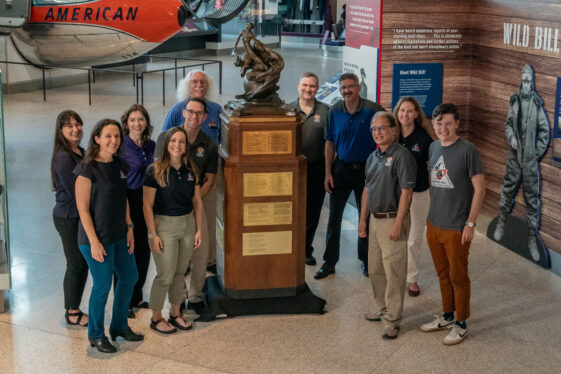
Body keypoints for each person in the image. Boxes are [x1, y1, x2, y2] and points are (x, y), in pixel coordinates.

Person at [75, 119, 143, 353]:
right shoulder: (87, 168)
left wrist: (130, 227)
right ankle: (95, 334)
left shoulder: (119, 165)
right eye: (108, 136)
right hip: (96, 239)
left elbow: (123, 199)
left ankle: (119, 326)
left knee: (129, 276)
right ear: (97, 139)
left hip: (120, 235)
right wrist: (94, 241)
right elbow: (83, 209)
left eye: (116, 136)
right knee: (103, 284)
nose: (113, 141)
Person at [420, 103, 485, 346]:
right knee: (442, 273)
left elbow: (480, 189)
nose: (443, 128)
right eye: (439, 123)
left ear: (457, 123)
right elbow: (435, 181)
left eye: (448, 123)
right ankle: (447, 316)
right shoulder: (434, 147)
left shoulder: (469, 150)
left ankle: (461, 323)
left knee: (459, 276)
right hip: (434, 223)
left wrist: (470, 223)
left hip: (457, 226)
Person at [316, 72, 385, 280]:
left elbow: (387, 134)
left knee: (366, 217)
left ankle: (365, 259)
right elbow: (329, 142)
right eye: (343, 88)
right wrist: (328, 172)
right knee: (334, 218)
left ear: (358, 88)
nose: (347, 91)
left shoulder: (373, 110)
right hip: (341, 169)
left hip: (366, 171)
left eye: (350, 87)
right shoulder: (334, 112)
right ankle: (329, 262)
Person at [156, 97, 218, 316]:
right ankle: (178, 298)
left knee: (200, 253)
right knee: (174, 255)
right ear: (183, 112)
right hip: (169, 208)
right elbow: (158, 171)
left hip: (196, 205)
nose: (194, 116)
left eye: (199, 113)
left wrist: (193, 200)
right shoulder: (166, 138)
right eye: (190, 112)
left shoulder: (208, 145)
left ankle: (196, 297)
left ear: (204, 117)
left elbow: (210, 179)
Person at [359, 111, 416, 340]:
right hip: (374, 219)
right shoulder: (373, 157)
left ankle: (393, 319)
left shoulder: (402, 155)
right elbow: (366, 190)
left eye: (382, 128)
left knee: (394, 271)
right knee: (375, 269)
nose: (377, 132)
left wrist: (398, 223)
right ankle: (382, 308)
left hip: (393, 219)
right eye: (374, 129)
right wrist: (363, 220)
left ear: (394, 130)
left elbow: (407, 192)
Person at [144, 127, 203, 334]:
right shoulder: (155, 170)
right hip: (164, 225)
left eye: (182, 142)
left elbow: (196, 200)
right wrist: (153, 234)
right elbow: (147, 205)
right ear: (166, 143)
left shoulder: (191, 170)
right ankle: (156, 316)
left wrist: (198, 230)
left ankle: (176, 313)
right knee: (165, 275)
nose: (177, 145)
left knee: (180, 273)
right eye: (173, 141)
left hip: (187, 224)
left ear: (186, 146)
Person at [162, 69, 220, 273]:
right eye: (194, 81)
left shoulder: (216, 109)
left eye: (203, 82)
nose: (199, 85)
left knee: (207, 221)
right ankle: (183, 263)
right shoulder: (177, 109)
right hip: (179, 184)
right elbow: (164, 140)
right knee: (183, 224)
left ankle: (209, 261)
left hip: (207, 178)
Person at [493, 65, 550, 261]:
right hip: (514, 158)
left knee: (532, 200)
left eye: (528, 81)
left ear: (531, 82)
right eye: (523, 80)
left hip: (530, 162)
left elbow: (545, 131)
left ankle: (532, 239)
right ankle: (501, 222)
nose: (526, 84)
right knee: (507, 191)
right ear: (521, 81)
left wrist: (536, 153)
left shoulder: (536, 104)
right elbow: (508, 124)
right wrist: (512, 138)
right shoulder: (515, 101)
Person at [51, 110, 89, 327]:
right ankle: (72, 312)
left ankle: (74, 306)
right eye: (69, 126)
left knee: (81, 262)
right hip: (68, 217)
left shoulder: (81, 152)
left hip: (78, 215)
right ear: (61, 130)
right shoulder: (63, 157)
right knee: (75, 263)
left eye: (78, 124)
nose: (75, 129)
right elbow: (75, 191)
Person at [394, 97, 433, 297]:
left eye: (410, 111)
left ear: (417, 114)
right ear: (397, 112)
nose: (405, 115)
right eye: (402, 110)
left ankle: (412, 279)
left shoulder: (424, 138)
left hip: (418, 193)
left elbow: (432, 167)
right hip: (396, 194)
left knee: (414, 238)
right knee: (396, 236)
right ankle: (396, 276)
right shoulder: (392, 135)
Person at [289, 72, 329, 266]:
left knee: (312, 212)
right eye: (305, 85)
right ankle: (290, 248)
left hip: (316, 168)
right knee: (291, 210)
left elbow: (330, 143)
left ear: (317, 88)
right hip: (292, 170)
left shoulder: (325, 111)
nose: (308, 89)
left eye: (312, 86)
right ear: (298, 85)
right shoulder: (288, 109)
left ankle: (306, 249)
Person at [119, 104, 155, 317]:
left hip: (147, 200)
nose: (137, 123)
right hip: (128, 200)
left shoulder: (151, 146)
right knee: (127, 251)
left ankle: (137, 296)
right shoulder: (121, 145)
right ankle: (124, 302)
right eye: (132, 120)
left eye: (141, 119)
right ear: (126, 123)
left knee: (144, 250)